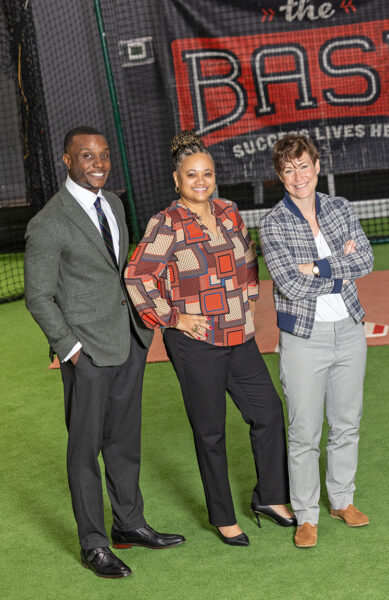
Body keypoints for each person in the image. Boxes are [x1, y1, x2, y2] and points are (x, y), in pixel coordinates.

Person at [24, 126, 185, 578]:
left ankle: (129, 524)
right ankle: (94, 543)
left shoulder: (112, 203)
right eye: (87, 156)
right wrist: (71, 350)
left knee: (123, 442)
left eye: (104, 155)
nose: (98, 163)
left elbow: (120, 273)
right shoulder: (48, 223)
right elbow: (38, 296)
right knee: (85, 450)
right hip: (87, 351)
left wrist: (142, 329)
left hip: (129, 342)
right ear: (67, 161)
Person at [124, 130, 295, 547]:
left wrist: (251, 301)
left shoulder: (229, 211)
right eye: (191, 175)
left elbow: (248, 258)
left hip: (239, 336)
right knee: (210, 431)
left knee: (268, 413)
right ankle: (223, 516)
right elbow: (137, 275)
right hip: (196, 343)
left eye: (207, 174)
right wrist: (174, 318)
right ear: (177, 180)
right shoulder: (166, 223)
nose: (201, 181)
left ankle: (270, 497)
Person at [259, 134, 373, 548]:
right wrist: (338, 270)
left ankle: (342, 499)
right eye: (288, 170)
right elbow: (288, 284)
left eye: (303, 166)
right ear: (280, 176)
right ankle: (306, 515)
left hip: (349, 330)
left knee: (347, 423)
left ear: (316, 165)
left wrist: (317, 267)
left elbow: (366, 259)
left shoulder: (340, 208)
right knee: (303, 431)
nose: (298, 176)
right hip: (303, 339)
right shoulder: (273, 222)